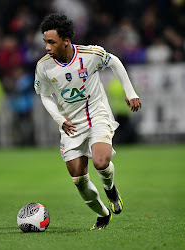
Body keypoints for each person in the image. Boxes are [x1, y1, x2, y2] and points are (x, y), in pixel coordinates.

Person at [34, 14, 142, 230]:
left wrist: (130, 93)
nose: (47, 47)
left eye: (51, 42)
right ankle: (103, 214)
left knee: (100, 162)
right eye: (45, 42)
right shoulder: (43, 67)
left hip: (96, 115)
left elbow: (116, 62)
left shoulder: (90, 54)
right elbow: (45, 95)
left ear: (66, 40)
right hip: (70, 124)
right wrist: (59, 118)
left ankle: (110, 188)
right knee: (78, 180)